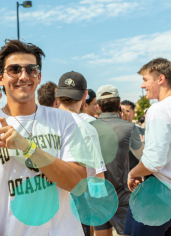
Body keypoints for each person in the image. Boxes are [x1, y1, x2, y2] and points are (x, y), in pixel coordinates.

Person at [0, 40, 104, 236]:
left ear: (39, 76)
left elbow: (77, 183)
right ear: (0, 78)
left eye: (31, 70)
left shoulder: (65, 121)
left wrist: (28, 148)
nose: (23, 76)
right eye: (14, 70)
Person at [125, 58, 171, 236]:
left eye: (145, 79)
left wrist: (133, 173)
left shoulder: (159, 109)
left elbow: (153, 162)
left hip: (160, 196)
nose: (143, 85)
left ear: (161, 78)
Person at [56, 73, 106, 236]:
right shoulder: (85, 128)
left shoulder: (43, 124)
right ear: (85, 95)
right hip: (76, 210)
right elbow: (98, 180)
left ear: (58, 93)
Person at [92, 85, 143, 236]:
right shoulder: (129, 127)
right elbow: (143, 157)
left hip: (97, 196)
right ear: (119, 104)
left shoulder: (88, 128)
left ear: (99, 106)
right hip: (122, 196)